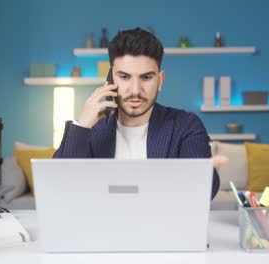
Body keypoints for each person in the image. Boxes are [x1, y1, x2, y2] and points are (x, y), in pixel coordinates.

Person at [54, 27, 223, 199]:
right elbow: (58, 188)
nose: (135, 90)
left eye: (146, 77)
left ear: (160, 80)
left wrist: (202, 174)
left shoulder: (186, 126)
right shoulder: (90, 129)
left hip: (160, 225)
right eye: (124, 77)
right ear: (111, 79)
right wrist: (80, 126)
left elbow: (204, 192)